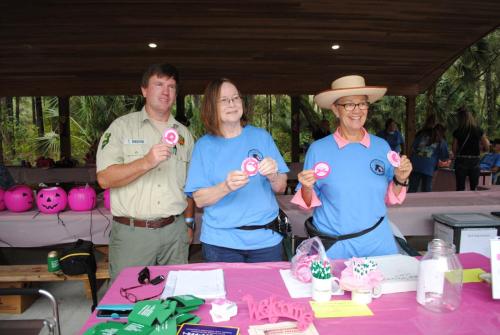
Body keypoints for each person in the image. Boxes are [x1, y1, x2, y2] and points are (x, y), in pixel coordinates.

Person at [291, 75, 412, 259]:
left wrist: (401, 178)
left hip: (378, 244)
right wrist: (307, 186)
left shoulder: (382, 147)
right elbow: (307, 203)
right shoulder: (318, 149)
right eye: (348, 104)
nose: (357, 110)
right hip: (335, 248)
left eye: (362, 104)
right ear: (336, 110)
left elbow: (390, 197)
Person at [96, 63, 195, 280]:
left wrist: (189, 223)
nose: (166, 91)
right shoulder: (121, 128)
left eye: (171, 86)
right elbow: (104, 179)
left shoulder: (184, 135)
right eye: (158, 84)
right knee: (128, 298)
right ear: (144, 90)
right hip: (134, 234)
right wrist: (146, 161)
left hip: (174, 232)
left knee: (176, 298)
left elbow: (190, 187)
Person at [184, 78, 289, 263]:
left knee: (268, 292)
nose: (232, 104)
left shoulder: (262, 137)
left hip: (266, 241)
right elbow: (199, 199)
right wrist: (226, 186)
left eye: (235, 98)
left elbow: (281, 187)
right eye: (224, 100)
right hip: (221, 244)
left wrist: (273, 175)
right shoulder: (203, 146)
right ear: (211, 106)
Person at [452, 108, 489, 191]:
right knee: (474, 187)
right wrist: (481, 150)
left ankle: (460, 203)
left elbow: (454, 149)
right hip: (474, 161)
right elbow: (487, 146)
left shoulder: (458, 131)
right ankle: (473, 203)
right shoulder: (478, 130)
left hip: (461, 160)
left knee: (460, 187)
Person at [408, 119, 450, 192]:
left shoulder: (422, 135)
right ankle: (426, 202)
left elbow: (412, 149)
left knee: (412, 188)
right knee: (426, 190)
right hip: (428, 168)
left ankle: (410, 202)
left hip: (415, 165)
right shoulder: (441, 142)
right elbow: (444, 157)